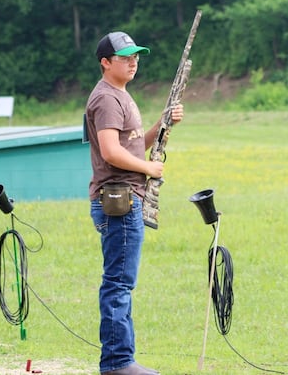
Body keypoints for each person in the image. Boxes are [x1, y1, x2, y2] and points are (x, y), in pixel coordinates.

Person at [85, 32, 184, 375]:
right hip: (119, 202)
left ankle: (121, 360)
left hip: (125, 199)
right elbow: (112, 153)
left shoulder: (120, 95)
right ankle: (117, 363)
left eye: (136, 55)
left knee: (121, 283)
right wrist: (149, 168)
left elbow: (131, 146)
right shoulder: (108, 99)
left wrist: (162, 123)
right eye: (125, 56)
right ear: (105, 62)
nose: (133, 61)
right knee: (118, 285)